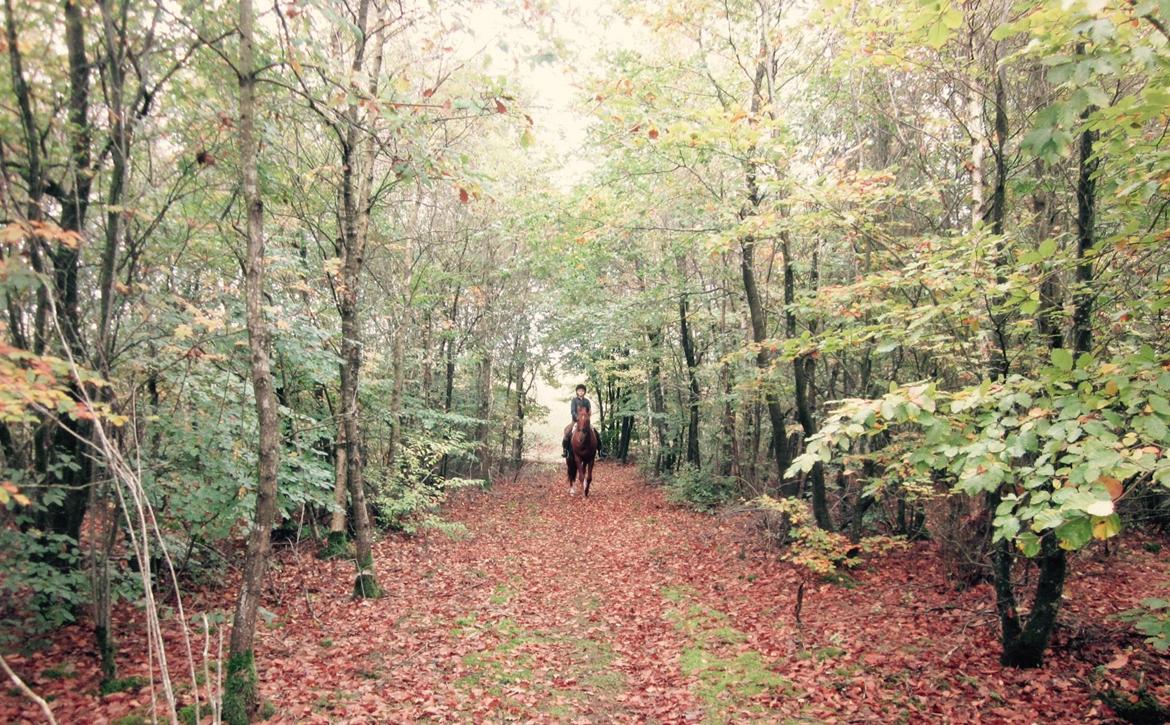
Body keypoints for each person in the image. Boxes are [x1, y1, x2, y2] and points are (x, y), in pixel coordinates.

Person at [562, 384, 591, 458]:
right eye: (579, 391)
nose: (581, 392)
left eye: (582, 391)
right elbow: (572, 411)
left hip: (585, 421)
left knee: (595, 431)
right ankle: (565, 450)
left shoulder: (587, 401)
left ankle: (600, 450)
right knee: (567, 432)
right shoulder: (574, 400)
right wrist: (577, 417)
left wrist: (587, 418)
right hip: (575, 421)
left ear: (584, 392)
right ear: (577, 392)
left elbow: (589, 411)